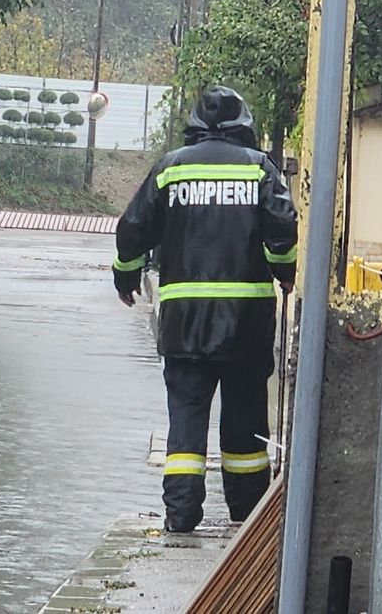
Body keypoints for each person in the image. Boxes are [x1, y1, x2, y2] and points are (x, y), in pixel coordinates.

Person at [112, 85, 298, 533]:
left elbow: (132, 228)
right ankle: (248, 515)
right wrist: (284, 272)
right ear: (245, 124)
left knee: (186, 423)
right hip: (245, 324)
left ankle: (180, 513)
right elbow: (282, 226)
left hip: (184, 323)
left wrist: (126, 277)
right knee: (246, 423)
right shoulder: (258, 169)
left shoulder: (170, 168)